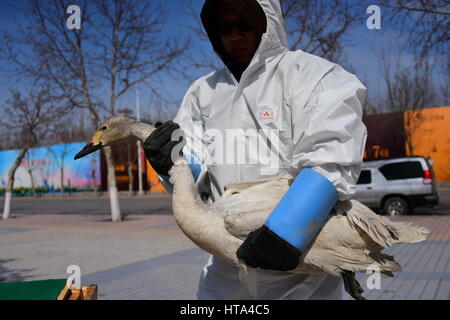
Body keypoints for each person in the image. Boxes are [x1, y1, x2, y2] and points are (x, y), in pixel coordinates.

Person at [144, 0, 367, 300]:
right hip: (226, 269)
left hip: (300, 271)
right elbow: (198, 182)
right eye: (224, 28)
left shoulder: (313, 76)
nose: (235, 35)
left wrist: (289, 231)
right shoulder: (203, 92)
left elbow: (331, 157)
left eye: (245, 24)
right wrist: (172, 163)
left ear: (266, 22)